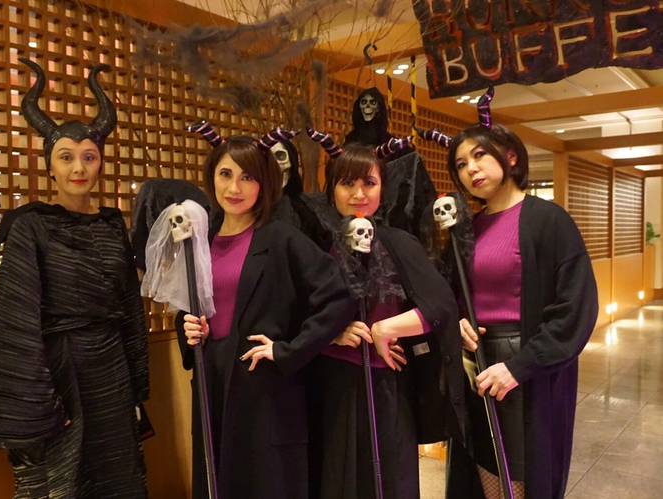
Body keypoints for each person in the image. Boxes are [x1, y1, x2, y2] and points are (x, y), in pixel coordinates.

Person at [0, 58, 149, 498]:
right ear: (50, 166)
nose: (78, 168)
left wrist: (137, 388)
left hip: (111, 367)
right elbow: (14, 316)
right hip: (57, 369)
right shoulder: (30, 226)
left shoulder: (112, 225)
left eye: (88, 157)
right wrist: (35, 396)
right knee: (61, 476)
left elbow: (130, 308)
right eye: (66, 157)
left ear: (100, 164)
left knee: (117, 473)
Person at [426, 88, 598, 499]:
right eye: (461, 164)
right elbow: (451, 295)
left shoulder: (548, 221)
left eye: (479, 156)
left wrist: (519, 367)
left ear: (510, 157)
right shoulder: (467, 228)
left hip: (525, 368)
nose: (471, 169)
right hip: (478, 365)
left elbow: (576, 307)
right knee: (482, 469)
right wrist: (458, 323)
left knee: (520, 476)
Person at [179, 123, 355, 499]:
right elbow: (195, 308)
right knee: (216, 480)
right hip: (213, 382)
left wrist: (287, 349)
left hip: (265, 388)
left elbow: (338, 298)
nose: (235, 188)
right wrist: (190, 328)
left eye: (247, 177)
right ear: (212, 178)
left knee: (266, 483)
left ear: (264, 184)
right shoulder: (201, 240)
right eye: (225, 174)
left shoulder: (280, 237)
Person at [305, 132, 467, 499]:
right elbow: (299, 314)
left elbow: (440, 307)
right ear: (332, 190)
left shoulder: (399, 242)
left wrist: (384, 328)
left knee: (388, 478)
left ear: (383, 188)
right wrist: (331, 331)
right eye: (347, 183)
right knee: (337, 477)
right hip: (331, 384)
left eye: (369, 183)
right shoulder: (317, 245)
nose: (358, 193)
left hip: (386, 383)